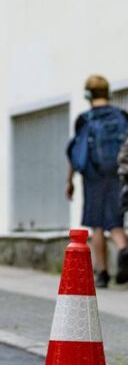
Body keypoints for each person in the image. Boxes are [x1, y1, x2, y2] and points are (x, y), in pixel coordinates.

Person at [66, 75, 128, 288]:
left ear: (88, 95)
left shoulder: (84, 119)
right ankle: (123, 250)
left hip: (93, 177)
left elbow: (76, 152)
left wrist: (70, 181)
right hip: (118, 173)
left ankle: (102, 274)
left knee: (97, 225)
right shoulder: (122, 116)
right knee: (116, 221)